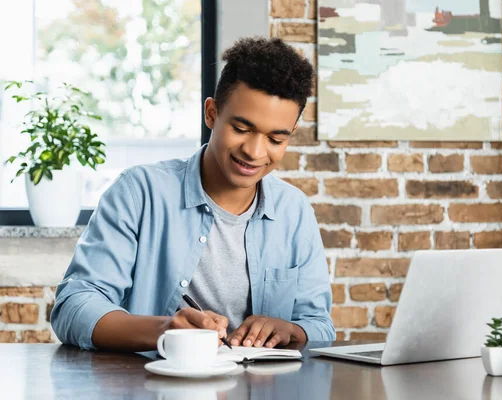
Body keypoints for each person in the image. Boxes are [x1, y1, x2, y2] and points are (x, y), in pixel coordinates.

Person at [51, 37, 335, 352]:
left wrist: (290, 329)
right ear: (212, 114)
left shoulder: (294, 212)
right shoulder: (139, 192)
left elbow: (319, 325)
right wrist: (163, 329)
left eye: (275, 139)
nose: (255, 152)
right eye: (241, 129)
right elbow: (73, 306)